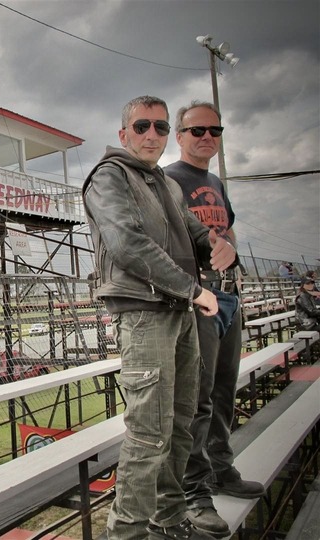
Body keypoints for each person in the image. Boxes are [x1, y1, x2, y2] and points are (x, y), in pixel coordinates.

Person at [83, 95, 236, 540]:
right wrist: (194, 289)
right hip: (145, 312)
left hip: (180, 311)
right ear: (124, 133)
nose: (153, 135)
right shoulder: (110, 176)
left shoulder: (165, 184)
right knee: (149, 432)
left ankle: (168, 521)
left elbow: (194, 234)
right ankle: (126, 533)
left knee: (181, 423)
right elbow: (127, 244)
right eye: (143, 126)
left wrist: (218, 246)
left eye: (162, 128)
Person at [164, 101, 265, 538]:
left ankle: (222, 469)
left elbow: (229, 230)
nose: (207, 137)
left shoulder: (215, 180)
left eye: (215, 130)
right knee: (197, 397)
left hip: (229, 294)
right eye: (197, 130)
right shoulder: (169, 179)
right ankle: (194, 493)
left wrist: (236, 259)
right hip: (198, 296)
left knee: (225, 389)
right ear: (180, 135)